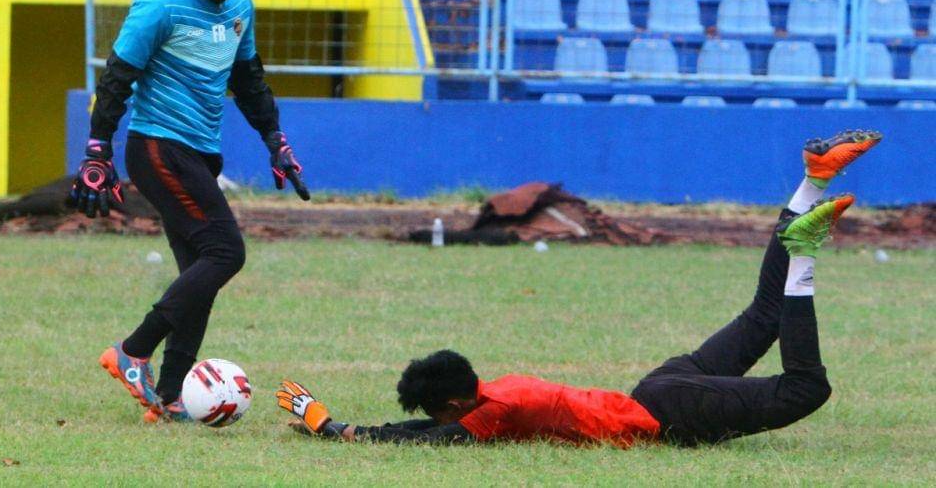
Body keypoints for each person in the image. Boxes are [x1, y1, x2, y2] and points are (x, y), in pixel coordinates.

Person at [276, 130, 882, 446]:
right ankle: (811, 181)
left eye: (442, 416)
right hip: (661, 387)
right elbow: (428, 430)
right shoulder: (499, 391)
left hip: (668, 410)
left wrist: (332, 428)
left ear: (457, 405)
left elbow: (426, 442)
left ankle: (803, 250)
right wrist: (338, 425)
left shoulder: (497, 412)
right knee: (764, 314)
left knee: (805, 388)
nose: (443, 423)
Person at [67, 0, 310, 423]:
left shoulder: (240, 6)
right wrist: (97, 150)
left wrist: (275, 139)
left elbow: (248, 79)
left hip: (200, 151)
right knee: (226, 252)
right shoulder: (160, 4)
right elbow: (117, 78)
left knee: (199, 274)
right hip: (158, 147)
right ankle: (134, 350)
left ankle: (170, 396)